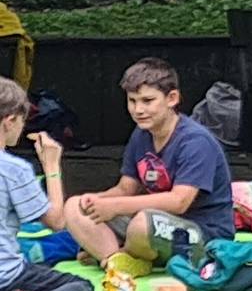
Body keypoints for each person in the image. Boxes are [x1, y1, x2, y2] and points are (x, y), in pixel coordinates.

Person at [62, 58, 234, 276]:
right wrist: (98, 200)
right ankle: (116, 260)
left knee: (142, 224)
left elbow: (179, 202)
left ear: (172, 98)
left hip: (203, 233)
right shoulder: (141, 134)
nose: (138, 110)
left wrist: (115, 207)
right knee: (74, 206)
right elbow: (126, 189)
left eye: (147, 101)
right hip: (151, 220)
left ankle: (117, 252)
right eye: (132, 101)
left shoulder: (196, 141)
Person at [0, 79, 89, 291]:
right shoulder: (14, 169)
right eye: (21, 121)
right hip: (6, 275)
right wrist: (51, 165)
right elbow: (56, 221)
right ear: (9, 121)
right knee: (81, 286)